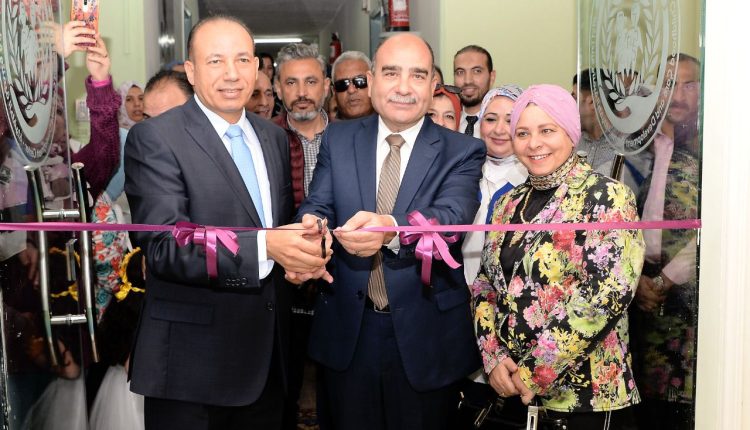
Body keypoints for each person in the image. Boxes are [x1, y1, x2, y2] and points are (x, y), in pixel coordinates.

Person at [124, 15, 332, 429]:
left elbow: (276, 225)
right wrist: (266, 247)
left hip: (267, 358)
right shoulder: (157, 138)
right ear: (191, 71)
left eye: (242, 60)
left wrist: (302, 252)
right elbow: (165, 246)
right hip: (191, 366)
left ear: (256, 67)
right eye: (215, 61)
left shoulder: (272, 137)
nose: (232, 74)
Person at [297, 33, 485, 429]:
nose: (403, 87)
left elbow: (451, 218)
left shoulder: (462, 150)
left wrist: (391, 228)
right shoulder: (339, 138)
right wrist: (311, 235)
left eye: (417, 75)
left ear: (433, 84)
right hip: (348, 331)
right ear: (371, 80)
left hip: (426, 336)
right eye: (391, 73)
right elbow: (318, 205)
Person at [471, 84, 645, 429]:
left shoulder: (608, 197)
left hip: (585, 399)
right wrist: (493, 356)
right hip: (512, 393)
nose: (534, 143)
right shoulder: (507, 204)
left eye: (547, 130)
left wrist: (532, 372)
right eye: (523, 133)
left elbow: (603, 297)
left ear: (570, 131)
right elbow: (485, 284)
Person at [629, 54, 701, 430]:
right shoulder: (644, 146)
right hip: (643, 296)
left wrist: (663, 280)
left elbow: (714, 231)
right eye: (669, 85)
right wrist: (637, 279)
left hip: (691, 303)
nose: (678, 95)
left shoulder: (714, 147)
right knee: (647, 412)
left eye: (689, 84)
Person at [462, 84, 528, 286]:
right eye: (490, 119)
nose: (499, 130)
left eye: (510, 121)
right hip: (457, 295)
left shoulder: (534, 180)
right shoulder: (461, 173)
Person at [272, 42, 330, 208]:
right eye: (291, 83)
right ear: (278, 88)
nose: (302, 93)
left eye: (311, 82)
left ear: (326, 86)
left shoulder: (348, 137)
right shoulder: (265, 139)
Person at [453, 45, 496, 137]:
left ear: (491, 77)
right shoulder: (445, 122)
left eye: (477, 71)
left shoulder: (505, 126)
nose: (468, 80)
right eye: (460, 72)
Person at [330, 51, 375, 120]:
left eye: (359, 81)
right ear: (334, 92)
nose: (351, 90)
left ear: (373, 83)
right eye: (342, 84)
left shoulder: (390, 123)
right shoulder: (327, 126)